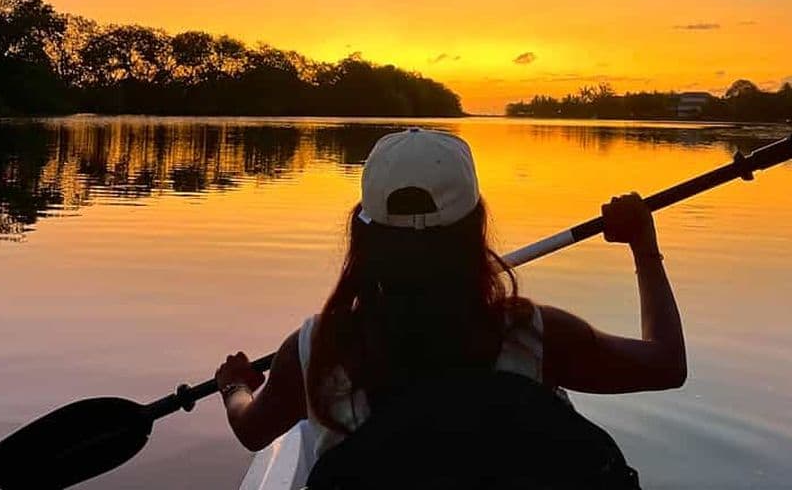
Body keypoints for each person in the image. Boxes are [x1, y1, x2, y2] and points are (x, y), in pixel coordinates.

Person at [215, 128, 686, 459]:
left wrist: (236, 386)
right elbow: (666, 363)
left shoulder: (315, 349)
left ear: (365, 235)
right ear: (475, 227)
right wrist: (644, 246)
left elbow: (251, 431)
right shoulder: (535, 336)